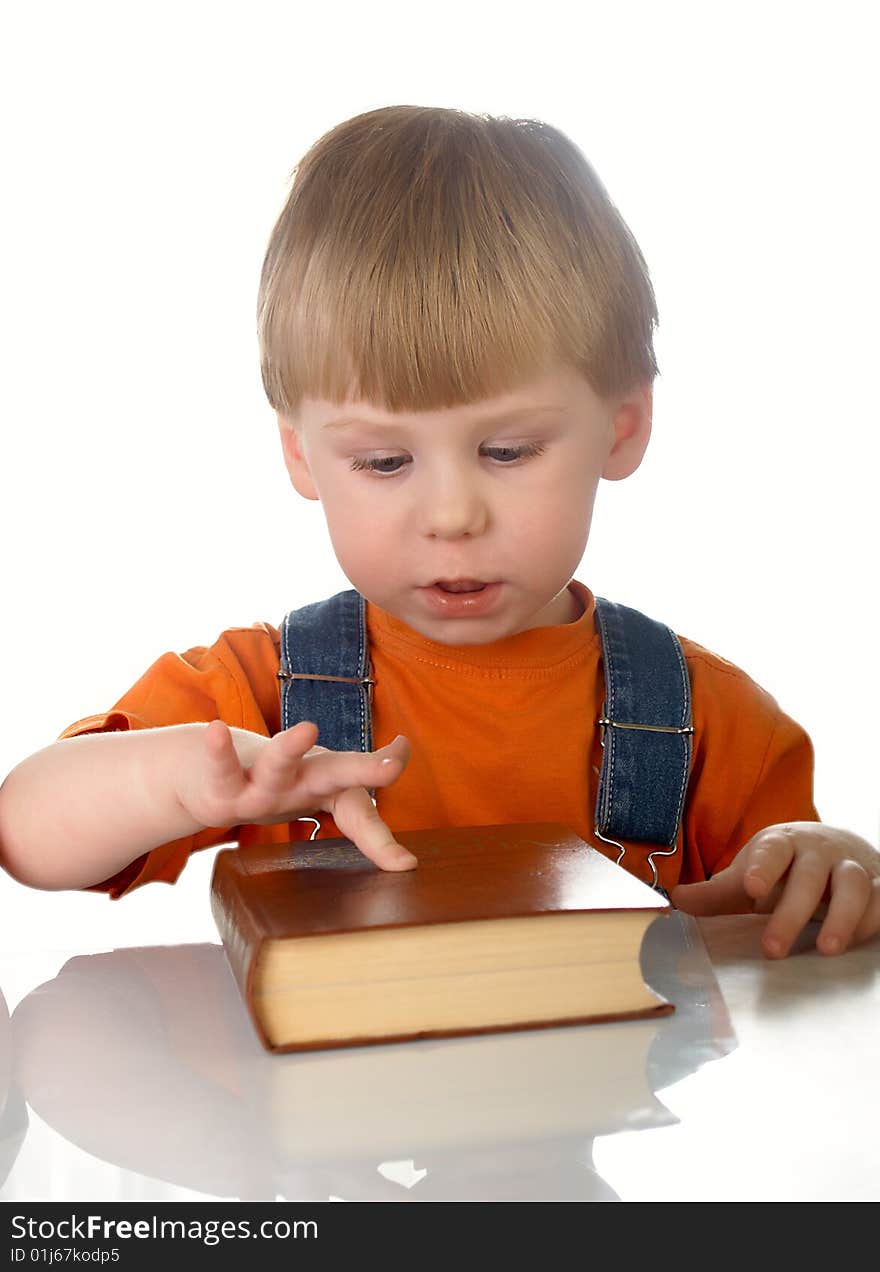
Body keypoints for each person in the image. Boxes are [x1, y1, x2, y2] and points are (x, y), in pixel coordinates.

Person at [0, 106, 877, 960]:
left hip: (608, 1109)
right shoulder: (259, 697)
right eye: (384, 462)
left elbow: (798, 943)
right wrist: (181, 779)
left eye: (507, 449)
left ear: (622, 428)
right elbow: (28, 835)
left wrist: (831, 867)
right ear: (300, 454)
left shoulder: (712, 722)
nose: (452, 517)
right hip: (324, 1109)